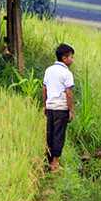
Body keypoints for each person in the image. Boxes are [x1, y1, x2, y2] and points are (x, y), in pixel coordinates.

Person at [42, 44, 77, 172]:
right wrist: (71, 110)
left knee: (50, 134)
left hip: (50, 106)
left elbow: (44, 89)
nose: (72, 60)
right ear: (64, 58)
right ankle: (55, 163)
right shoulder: (67, 73)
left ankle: (49, 160)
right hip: (61, 108)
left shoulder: (48, 70)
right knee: (59, 135)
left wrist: (44, 105)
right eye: (71, 57)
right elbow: (68, 93)